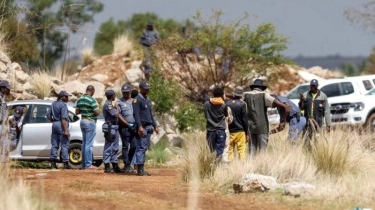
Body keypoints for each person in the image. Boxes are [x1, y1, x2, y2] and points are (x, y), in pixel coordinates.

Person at [244, 79, 291, 155]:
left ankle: (251, 164)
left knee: (252, 149)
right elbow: (273, 101)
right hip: (262, 126)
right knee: (263, 150)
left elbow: (236, 97)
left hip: (250, 125)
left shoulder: (246, 94)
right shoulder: (264, 94)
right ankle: (261, 164)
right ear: (261, 87)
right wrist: (284, 105)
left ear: (253, 87)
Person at [133, 81, 159, 176]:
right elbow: (136, 114)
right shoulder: (137, 100)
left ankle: (142, 168)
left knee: (144, 148)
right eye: (145, 88)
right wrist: (139, 126)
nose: (147, 90)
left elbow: (150, 115)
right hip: (142, 127)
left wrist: (155, 126)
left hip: (149, 126)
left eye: (148, 88)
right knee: (141, 148)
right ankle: (139, 169)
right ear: (140, 88)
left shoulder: (147, 100)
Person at [298, 79, 331, 145]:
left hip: (318, 123)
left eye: (314, 86)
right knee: (306, 141)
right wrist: (301, 101)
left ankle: (316, 153)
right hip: (307, 123)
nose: (312, 87)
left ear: (317, 86)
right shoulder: (305, 95)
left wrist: (328, 125)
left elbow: (327, 111)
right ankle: (306, 153)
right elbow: (301, 108)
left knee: (318, 141)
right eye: (311, 85)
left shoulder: (323, 96)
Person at [75, 85, 100, 169]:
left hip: (83, 121)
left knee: (84, 143)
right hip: (90, 122)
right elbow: (97, 112)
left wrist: (84, 110)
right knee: (89, 144)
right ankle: (88, 164)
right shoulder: (92, 100)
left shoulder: (80, 99)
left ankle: (84, 164)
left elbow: (77, 112)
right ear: (92, 91)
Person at [46, 91, 71, 169]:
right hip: (61, 125)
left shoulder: (53, 104)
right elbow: (63, 119)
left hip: (55, 125)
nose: (67, 98)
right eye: (66, 96)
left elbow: (48, 115)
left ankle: (53, 164)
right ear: (62, 97)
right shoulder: (63, 105)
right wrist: (66, 130)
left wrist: (53, 121)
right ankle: (65, 163)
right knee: (64, 144)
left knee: (54, 145)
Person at [102, 90, 125, 173]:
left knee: (115, 147)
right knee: (108, 147)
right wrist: (117, 107)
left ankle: (115, 165)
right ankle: (107, 166)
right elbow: (116, 115)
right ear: (112, 96)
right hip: (110, 127)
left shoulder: (110, 104)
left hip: (114, 127)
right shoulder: (108, 105)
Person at [117, 83, 138, 173]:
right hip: (124, 127)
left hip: (134, 127)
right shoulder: (119, 102)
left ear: (130, 92)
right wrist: (128, 124)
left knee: (134, 146)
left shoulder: (134, 101)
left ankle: (128, 163)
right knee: (125, 147)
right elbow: (119, 115)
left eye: (127, 92)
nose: (125, 94)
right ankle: (127, 165)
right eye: (124, 92)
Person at [204, 87, 228, 161]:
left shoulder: (206, 104)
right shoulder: (224, 105)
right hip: (220, 130)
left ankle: (213, 166)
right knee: (220, 151)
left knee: (212, 150)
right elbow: (226, 115)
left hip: (210, 130)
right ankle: (218, 166)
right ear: (221, 95)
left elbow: (205, 116)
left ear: (213, 94)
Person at [226, 86, 249, 161]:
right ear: (241, 95)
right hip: (240, 130)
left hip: (230, 130)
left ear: (233, 93)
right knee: (241, 150)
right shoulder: (243, 104)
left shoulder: (227, 103)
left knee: (229, 150)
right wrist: (247, 132)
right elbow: (244, 119)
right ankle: (241, 167)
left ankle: (229, 167)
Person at [0, 80, 11, 164]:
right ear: (3, 88)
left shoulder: (2, 98)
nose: (9, 91)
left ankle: (3, 163)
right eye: (7, 89)